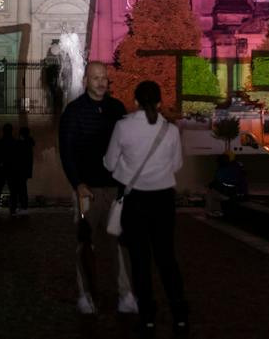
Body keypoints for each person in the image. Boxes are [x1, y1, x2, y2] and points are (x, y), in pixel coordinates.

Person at [104, 80, 188, 334]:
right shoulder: (170, 130)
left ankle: (148, 316)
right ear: (160, 103)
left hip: (135, 201)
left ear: (135, 101)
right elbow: (177, 165)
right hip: (163, 200)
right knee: (166, 258)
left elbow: (110, 164)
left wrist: (126, 169)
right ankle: (179, 314)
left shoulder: (123, 127)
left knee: (139, 260)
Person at [58, 59, 131, 316]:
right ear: (85, 81)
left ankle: (125, 294)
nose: (101, 82)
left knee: (121, 243)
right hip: (86, 189)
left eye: (104, 78)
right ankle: (85, 295)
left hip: (114, 188)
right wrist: (77, 183)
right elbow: (66, 152)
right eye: (95, 78)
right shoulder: (73, 111)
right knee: (85, 243)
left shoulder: (117, 108)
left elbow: (127, 148)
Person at [204, 151, 248, 218]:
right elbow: (242, 181)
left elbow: (218, 182)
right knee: (215, 191)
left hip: (230, 194)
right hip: (237, 193)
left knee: (211, 193)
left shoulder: (223, 170)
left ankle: (213, 211)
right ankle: (217, 210)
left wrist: (211, 185)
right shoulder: (237, 167)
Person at [11, 127, 35, 213]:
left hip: (19, 169)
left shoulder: (21, 143)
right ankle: (24, 206)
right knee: (23, 187)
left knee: (20, 188)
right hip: (26, 169)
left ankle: (22, 205)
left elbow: (17, 156)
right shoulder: (29, 143)